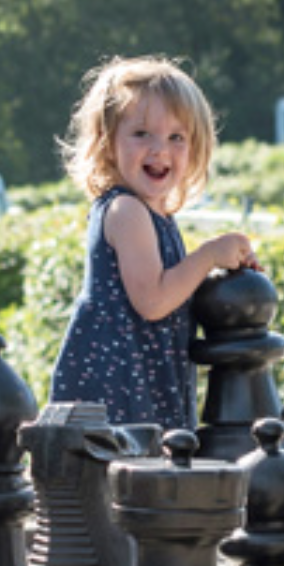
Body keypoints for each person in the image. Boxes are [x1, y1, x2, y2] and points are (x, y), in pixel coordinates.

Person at [45, 57, 257, 429]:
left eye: (176, 137)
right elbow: (154, 300)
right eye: (141, 133)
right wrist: (208, 255)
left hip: (141, 382)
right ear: (107, 143)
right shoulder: (126, 211)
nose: (159, 149)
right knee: (121, 481)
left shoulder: (157, 217)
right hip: (115, 390)